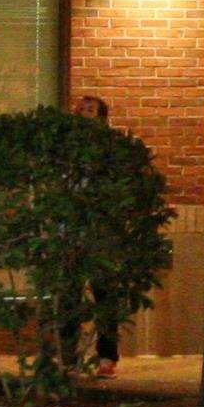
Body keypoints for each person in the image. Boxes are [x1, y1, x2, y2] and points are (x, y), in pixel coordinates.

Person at [70, 94, 122, 375]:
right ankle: (70, 357)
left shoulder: (109, 147)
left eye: (90, 110)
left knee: (104, 292)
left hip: (100, 229)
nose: (83, 113)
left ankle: (107, 356)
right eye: (80, 109)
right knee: (70, 293)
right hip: (72, 228)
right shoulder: (67, 147)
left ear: (101, 116)